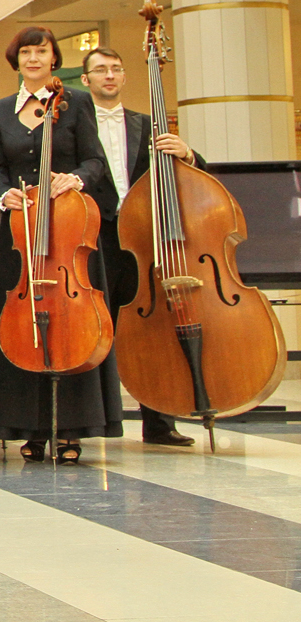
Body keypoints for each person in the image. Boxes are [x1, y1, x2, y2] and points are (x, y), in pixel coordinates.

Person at [0, 26, 116, 464]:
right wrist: (5, 193)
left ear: (54, 59)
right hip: (22, 232)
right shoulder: (2, 109)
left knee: (71, 321)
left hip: (67, 228)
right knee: (23, 322)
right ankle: (30, 426)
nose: (34, 58)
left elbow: (94, 159)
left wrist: (74, 179)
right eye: (26, 52)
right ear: (16, 60)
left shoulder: (75, 103)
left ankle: (72, 428)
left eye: (42, 50)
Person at [79, 45, 198, 448]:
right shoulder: (74, 126)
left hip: (143, 240)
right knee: (93, 326)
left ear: (125, 76)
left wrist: (190, 154)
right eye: (100, 70)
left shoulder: (147, 124)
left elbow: (189, 180)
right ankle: (89, 421)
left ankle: (160, 422)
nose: (109, 76)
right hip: (93, 235)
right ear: (87, 80)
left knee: (151, 328)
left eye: (115, 69)